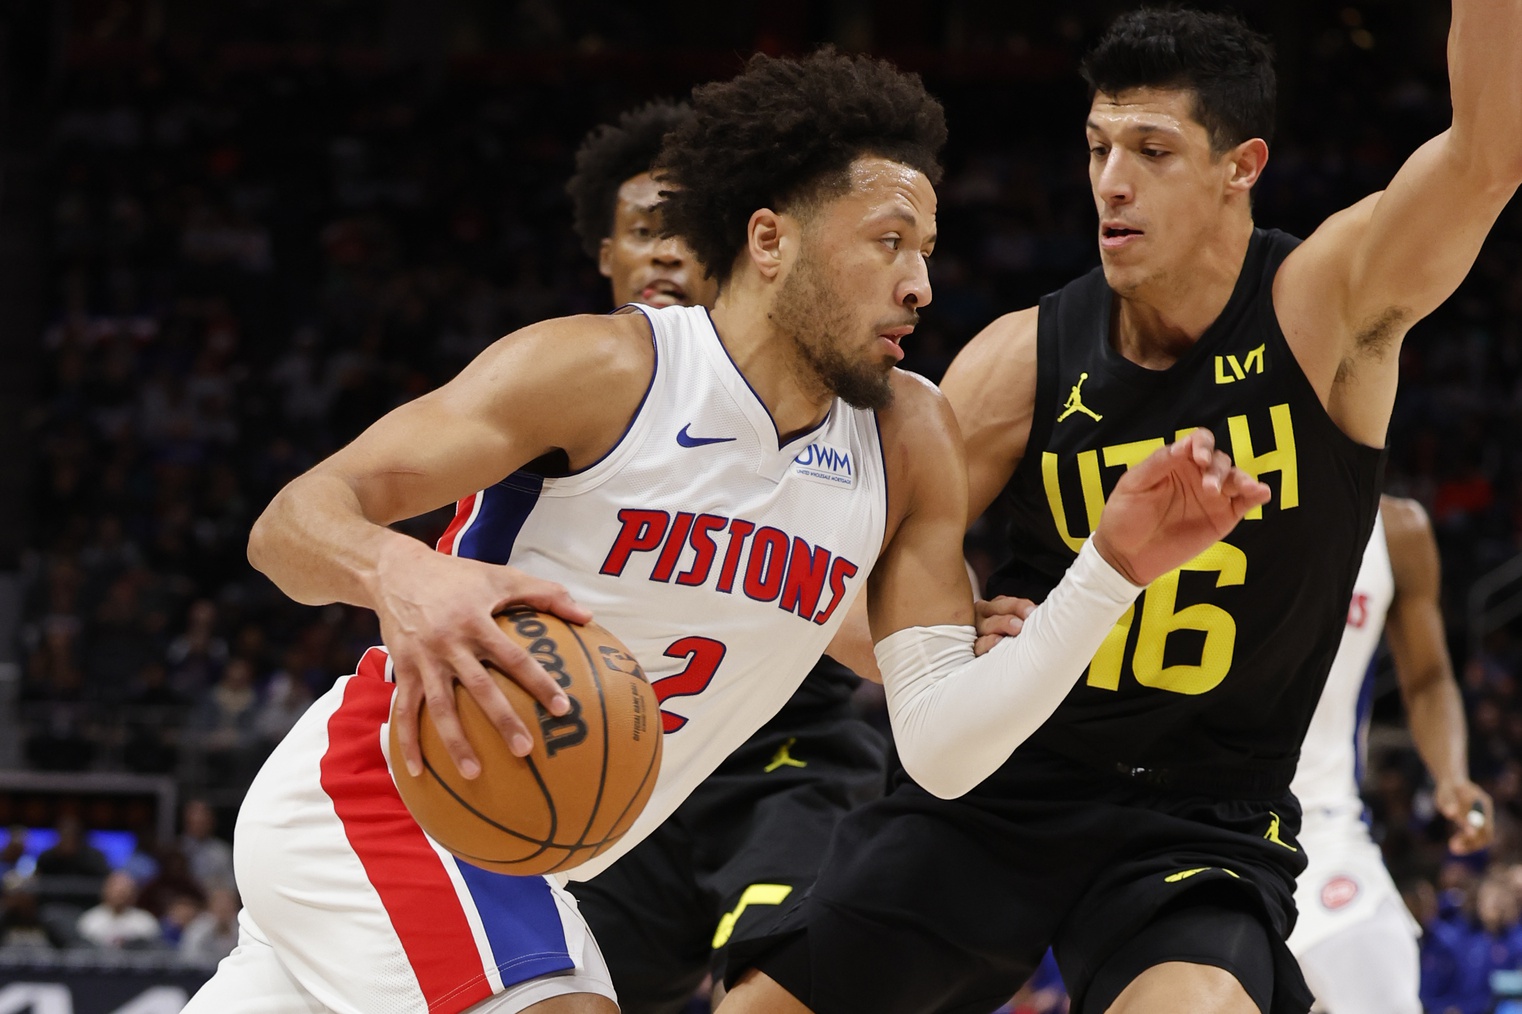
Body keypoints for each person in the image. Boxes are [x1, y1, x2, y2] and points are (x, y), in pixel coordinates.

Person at [183, 48, 1268, 1014]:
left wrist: (1110, 571)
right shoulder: (604, 372)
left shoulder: (908, 435)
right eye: (888, 241)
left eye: (928, 249)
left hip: (527, 850)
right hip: (391, 801)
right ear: (769, 240)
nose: (919, 283)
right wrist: (401, 575)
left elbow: (940, 749)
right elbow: (293, 522)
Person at [725, 7, 1520, 1014]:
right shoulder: (1021, 362)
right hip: (999, 793)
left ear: (1242, 166)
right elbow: (828, 574)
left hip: (1200, 818)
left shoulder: (1325, 307)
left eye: (1151, 150)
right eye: (1099, 147)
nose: (1110, 180)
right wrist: (930, 648)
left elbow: (1488, 156)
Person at [562, 100, 891, 1014]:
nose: (664, 253)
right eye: (641, 231)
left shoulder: (833, 393)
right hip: (601, 767)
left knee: (790, 984)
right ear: (604, 254)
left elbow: (892, 631)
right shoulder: (560, 387)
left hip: (781, 759)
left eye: (684, 232)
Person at [1288, 495, 1493, 1014]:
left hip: (1321, 826)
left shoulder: (1397, 531)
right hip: (1196, 825)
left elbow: (1427, 678)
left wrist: (1451, 774)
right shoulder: (1201, 502)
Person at [77, 870, 162, 950]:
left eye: (124, 891)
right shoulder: (89, 920)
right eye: (116, 891)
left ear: (134, 894)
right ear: (105, 892)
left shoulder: (145, 921)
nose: (119, 896)